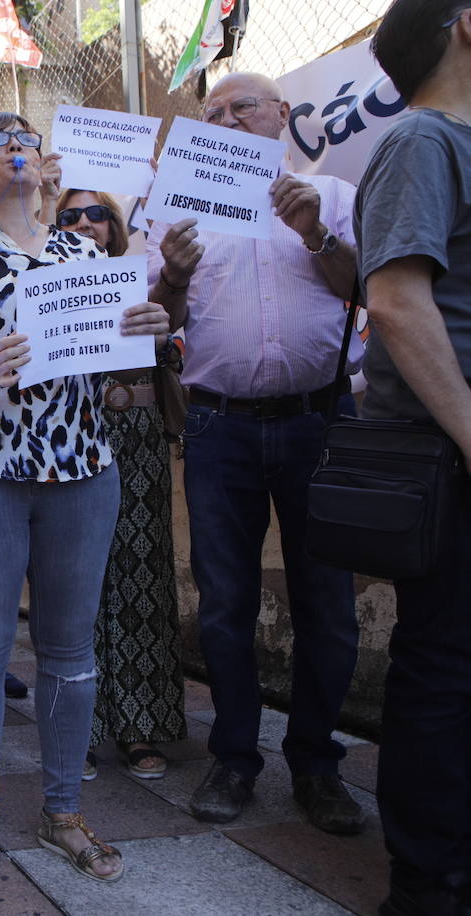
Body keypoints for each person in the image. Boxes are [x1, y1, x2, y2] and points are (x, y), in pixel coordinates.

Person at [0, 112, 169, 886]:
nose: (18, 153)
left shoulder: (84, 251)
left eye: (27, 144)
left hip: (83, 469)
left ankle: (63, 812)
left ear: (45, 167)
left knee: (70, 650)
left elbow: (114, 366)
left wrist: (150, 329)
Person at [147, 72, 364, 833]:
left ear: (282, 114)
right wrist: (172, 274)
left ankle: (315, 762)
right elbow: (157, 322)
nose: (228, 118)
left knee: (328, 605)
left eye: (243, 106)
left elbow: (363, 288)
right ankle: (235, 757)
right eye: (211, 112)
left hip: (320, 422)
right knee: (227, 604)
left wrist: (317, 234)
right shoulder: (178, 210)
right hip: (219, 428)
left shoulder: (331, 196)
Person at [358, 5, 471, 912]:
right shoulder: (424, 142)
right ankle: (428, 882)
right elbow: (396, 301)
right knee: (447, 663)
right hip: (451, 454)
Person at [57, 189, 187, 781]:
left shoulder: (141, 284)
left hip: (136, 438)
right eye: (70, 216)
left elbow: (171, 347)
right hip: (71, 436)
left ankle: (139, 724)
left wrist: (160, 327)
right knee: (75, 582)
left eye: (96, 214)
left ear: (114, 225)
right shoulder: (44, 283)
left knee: (140, 574)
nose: (84, 223)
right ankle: (77, 725)